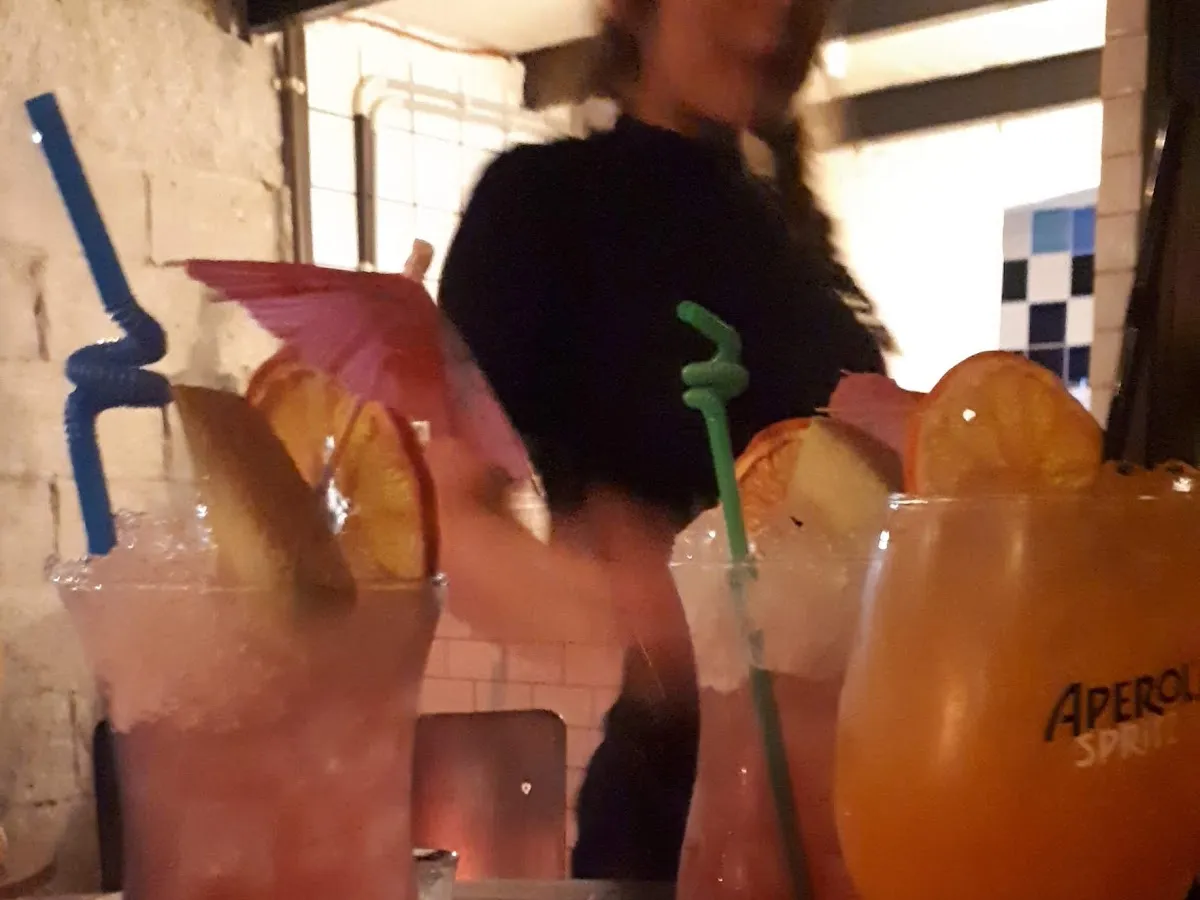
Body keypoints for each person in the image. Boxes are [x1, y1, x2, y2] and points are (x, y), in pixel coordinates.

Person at [436, 0, 893, 883]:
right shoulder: (543, 207)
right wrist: (649, 603)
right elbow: (450, 524)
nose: (774, 16)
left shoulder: (791, 243)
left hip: (852, 796)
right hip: (677, 813)